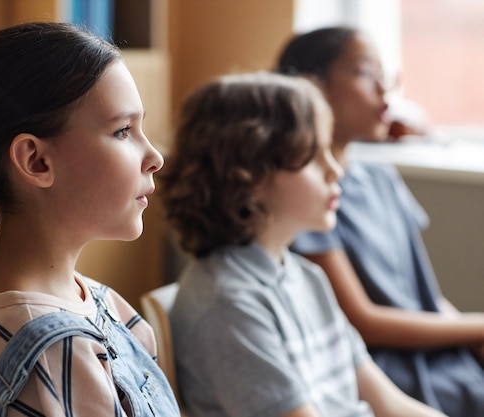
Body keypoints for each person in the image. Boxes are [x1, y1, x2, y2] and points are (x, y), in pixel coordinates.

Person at [0, 22, 180, 417]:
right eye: (123, 131)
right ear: (36, 160)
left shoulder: (87, 301)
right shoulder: (58, 352)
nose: (155, 156)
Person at [159, 71, 447, 417]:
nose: (335, 171)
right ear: (249, 178)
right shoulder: (228, 304)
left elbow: (387, 402)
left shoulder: (305, 277)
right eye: (313, 157)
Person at [276, 26, 484, 416]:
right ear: (313, 86)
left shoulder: (381, 178)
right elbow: (362, 321)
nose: (383, 91)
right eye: (364, 74)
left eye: (385, 77)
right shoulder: (309, 197)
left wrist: (471, 336)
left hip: (439, 354)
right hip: (384, 370)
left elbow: (426, 296)